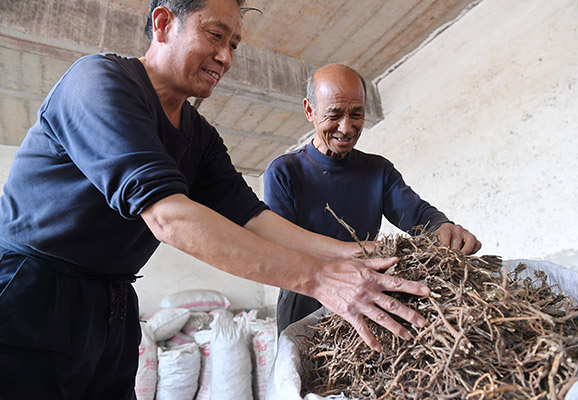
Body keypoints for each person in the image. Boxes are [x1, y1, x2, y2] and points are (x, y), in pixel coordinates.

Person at [0, 1, 432, 398]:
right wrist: (320, 279)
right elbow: (170, 217)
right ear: (164, 23)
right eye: (214, 35)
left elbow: (252, 217)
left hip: (112, 303)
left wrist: (352, 253)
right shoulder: (99, 82)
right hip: (31, 291)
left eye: (234, 44)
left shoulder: (199, 136)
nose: (226, 57)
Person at [264, 63, 482, 335]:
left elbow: (417, 215)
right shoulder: (284, 171)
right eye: (334, 115)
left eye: (357, 114)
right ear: (310, 110)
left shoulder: (378, 171)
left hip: (366, 293)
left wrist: (443, 228)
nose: (346, 128)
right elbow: (283, 247)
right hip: (307, 301)